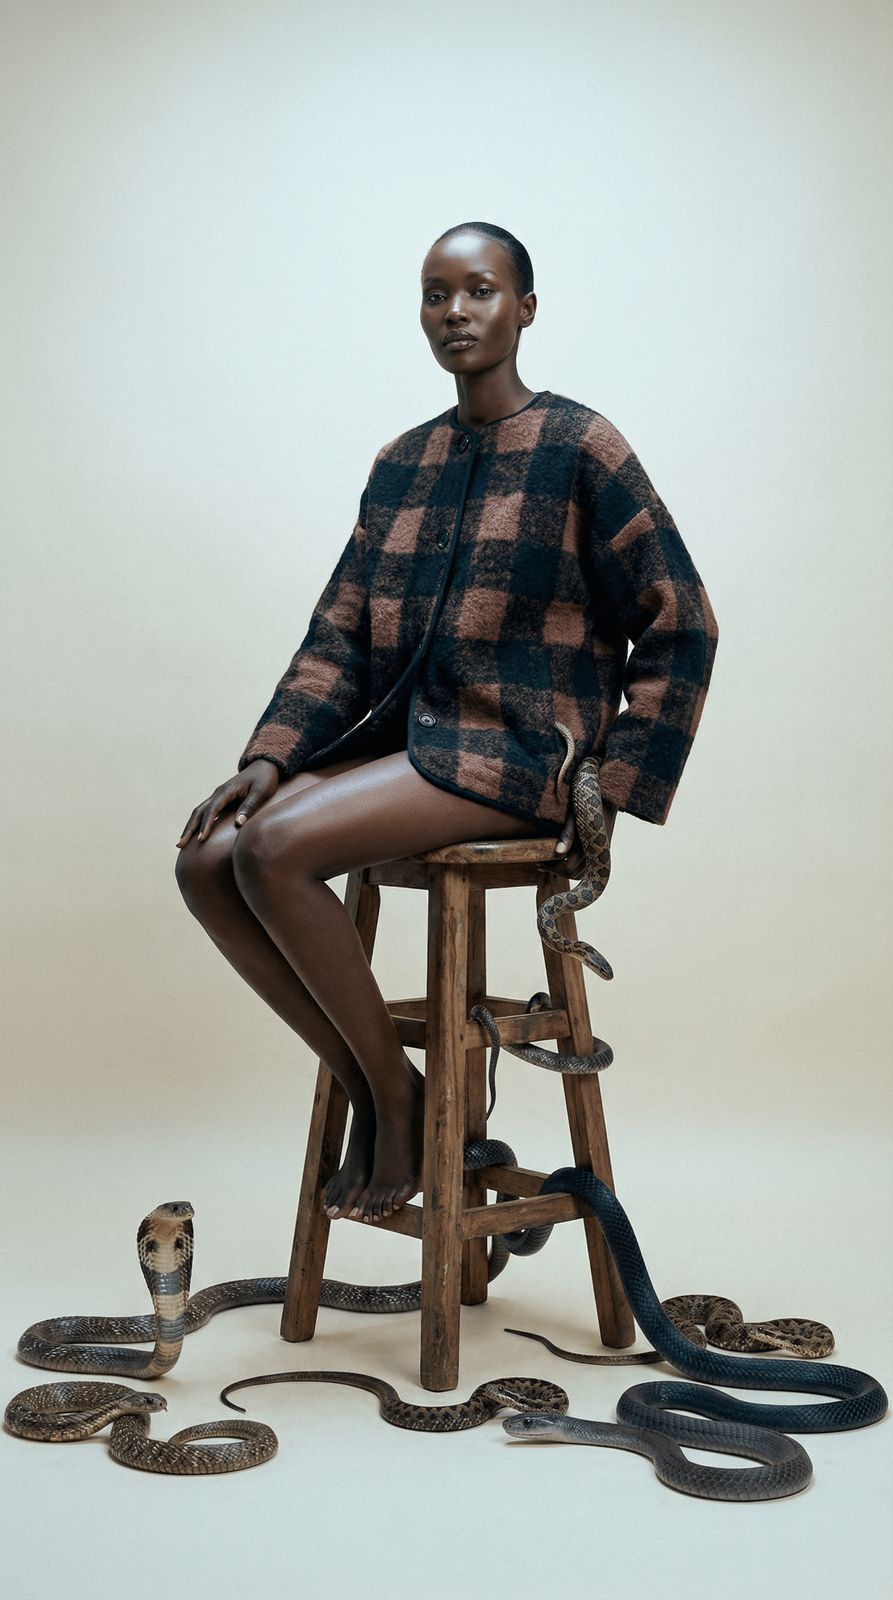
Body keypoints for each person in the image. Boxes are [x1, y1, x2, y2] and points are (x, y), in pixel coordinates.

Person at [175, 221, 718, 1227]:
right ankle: (398, 1087)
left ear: (523, 306)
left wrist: (610, 789)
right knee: (209, 855)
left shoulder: (579, 447)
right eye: (435, 294)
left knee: (278, 849)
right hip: (411, 746)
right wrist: (267, 756)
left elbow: (681, 622)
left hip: (518, 755)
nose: (455, 312)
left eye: (477, 291)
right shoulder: (402, 462)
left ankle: (388, 1099)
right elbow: (337, 633)